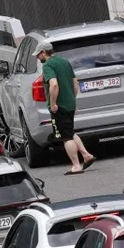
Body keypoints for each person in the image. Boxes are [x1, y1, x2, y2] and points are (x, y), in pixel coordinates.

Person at [36, 39, 94, 174]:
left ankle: (76, 165)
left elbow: (54, 84)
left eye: (38, 55)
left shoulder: (48, 65)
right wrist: (73, 101)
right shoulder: (65, 62)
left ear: (44, 52)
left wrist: (53, 103)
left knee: (65, 137)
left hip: (60, 107)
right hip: (70, 104)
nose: (38, 58)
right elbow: (75, 84)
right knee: (70, 132)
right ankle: (86, 155)